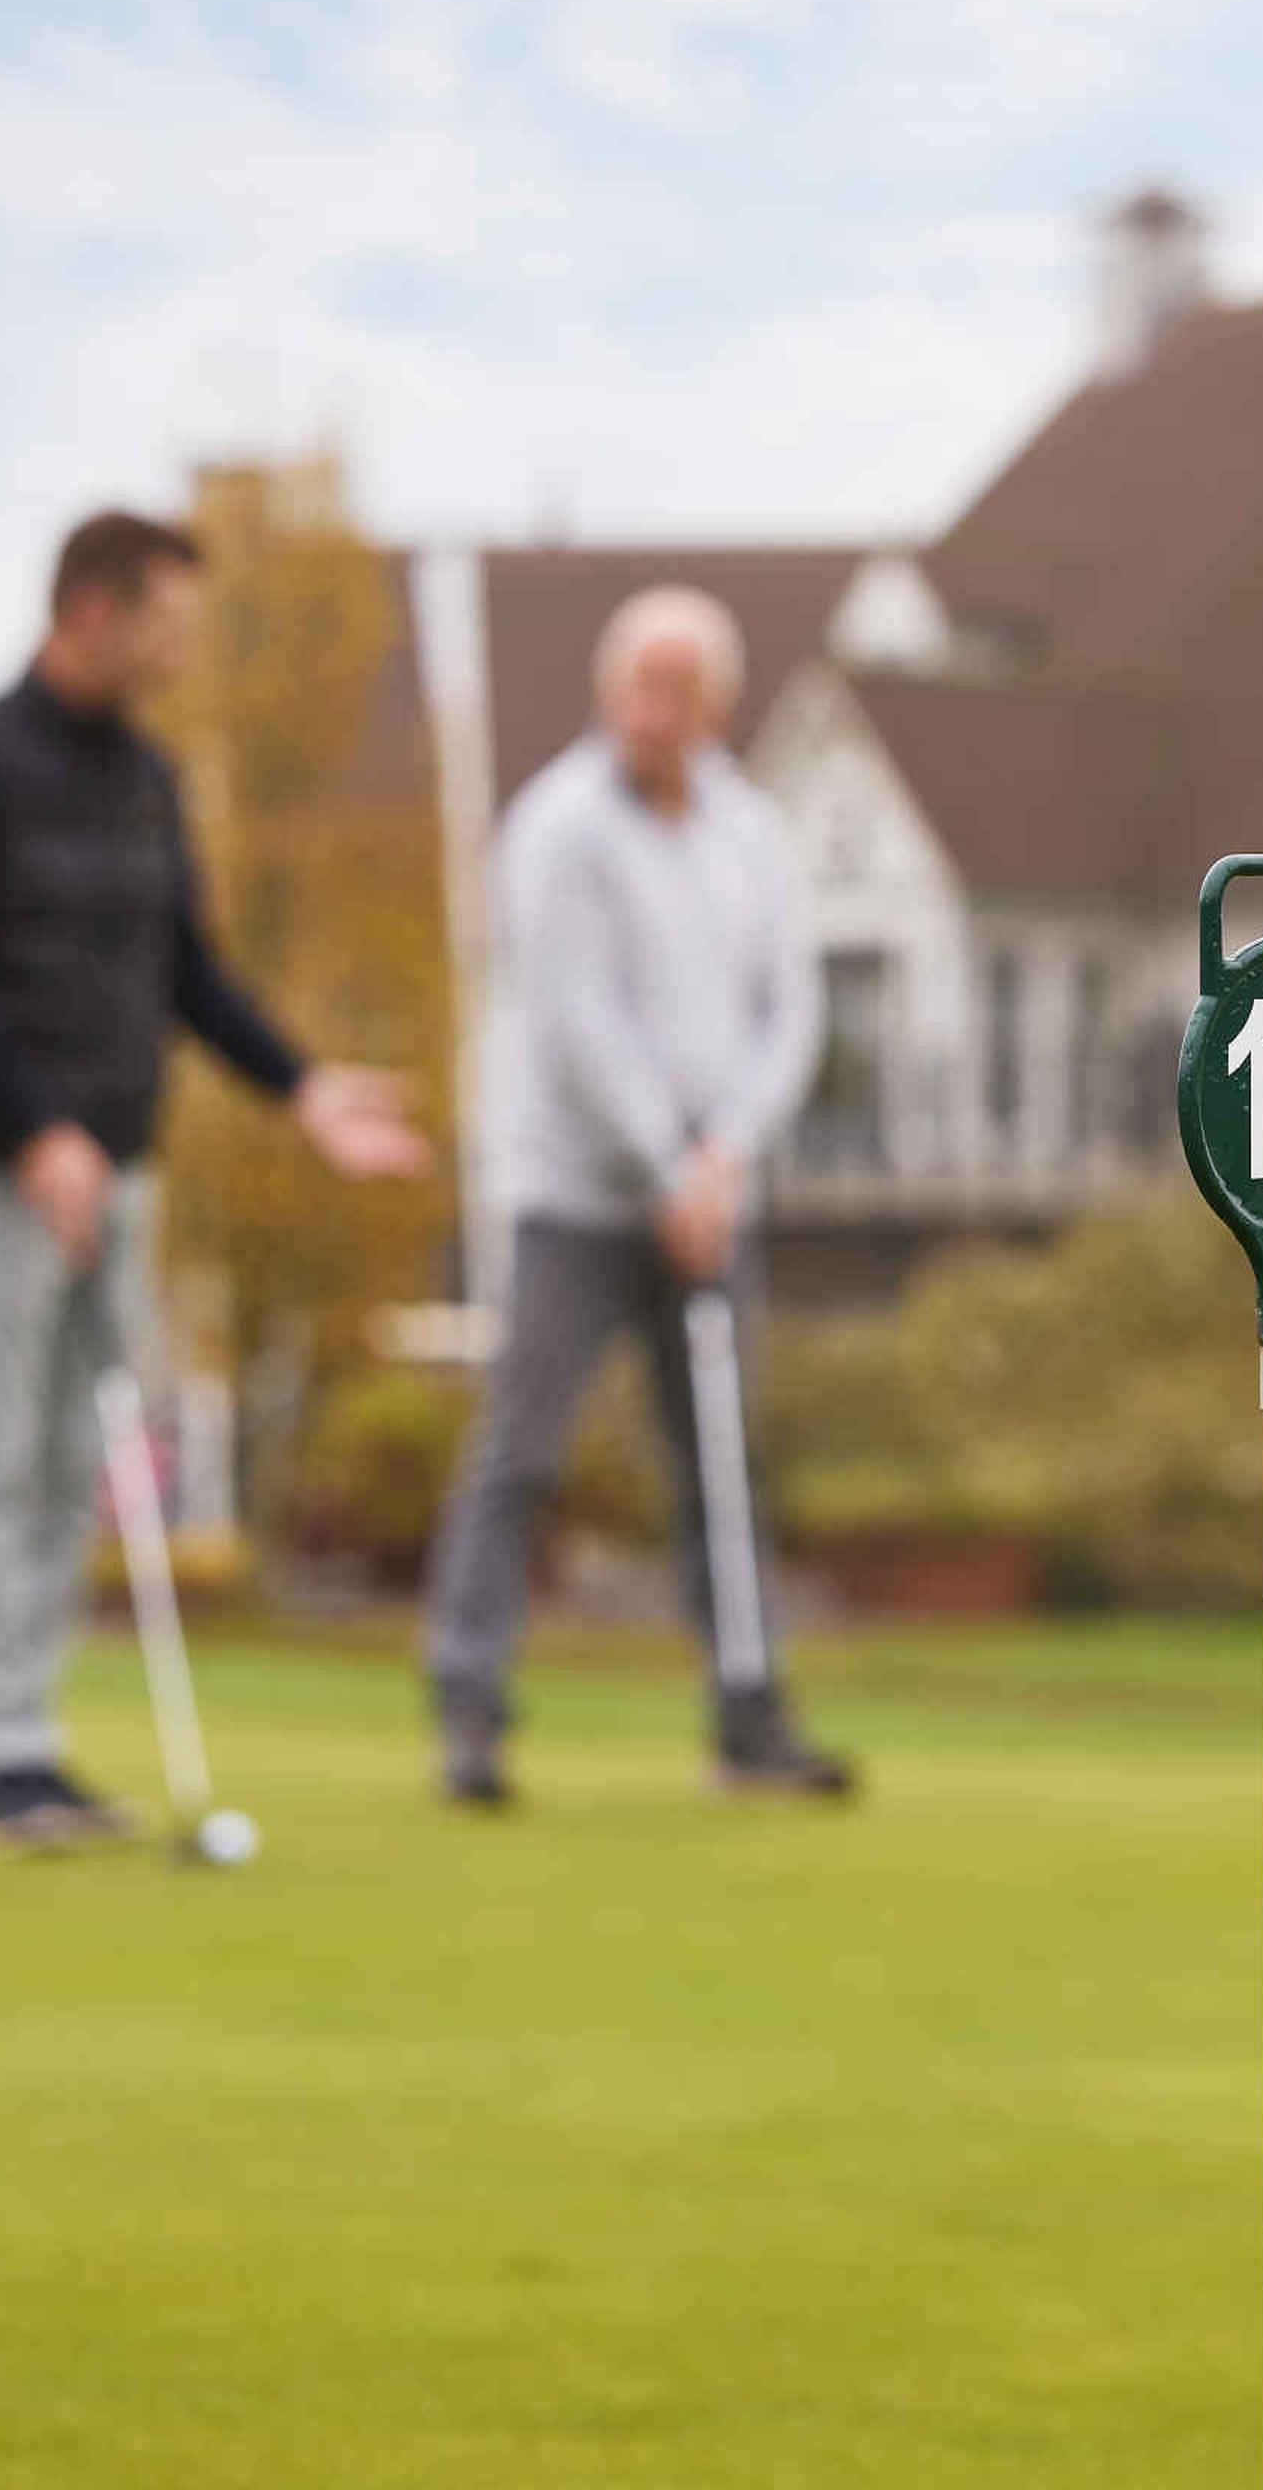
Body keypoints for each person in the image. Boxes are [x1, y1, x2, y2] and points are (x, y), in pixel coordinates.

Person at [0, 508, 426, 1856]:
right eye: (171, 620)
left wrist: (302, 1089)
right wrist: (35, 1131)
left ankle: (30, 1736)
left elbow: (186, 971)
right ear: (94, 608)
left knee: (79, 1457)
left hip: (120, 1169)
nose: (188, 646)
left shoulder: (144, 776)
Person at [421, 586, 853, 1808]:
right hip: (576, 1196)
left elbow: (791, 1013)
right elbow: (576, 1020)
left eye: (682, 688)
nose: (656, 711)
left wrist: (722, 1157)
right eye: (639, 684)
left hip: (714, 1200)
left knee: (722, 1460)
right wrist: (671, 1162)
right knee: (523, 1448)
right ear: (610, 692)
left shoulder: (754, 835)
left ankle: (750, 1710)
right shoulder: (554, 830)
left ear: (719, 704)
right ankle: (470, 1705)